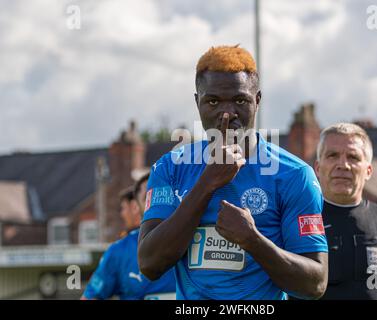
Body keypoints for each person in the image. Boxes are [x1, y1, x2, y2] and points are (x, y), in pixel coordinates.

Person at [138, 45, 328, 300]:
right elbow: (150, 264)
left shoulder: (294, 175)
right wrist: (208, 182)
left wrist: (253, 240)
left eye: (240, 100)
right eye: (213, 101)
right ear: (197, 102)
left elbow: (314, 284)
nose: (227, 113)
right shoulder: (169, 168)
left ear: (257, 101)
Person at [313, 122, 377, 300]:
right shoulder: (298, 218)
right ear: (318, 168)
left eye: (353, 157)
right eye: (332, 155)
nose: (343, 165)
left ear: (368, 170)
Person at [82, 185, 176, 300]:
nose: (122, 214)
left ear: (135, 206)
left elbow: (90, 296)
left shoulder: (119, 250)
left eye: (123, 208)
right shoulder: (184, 239)